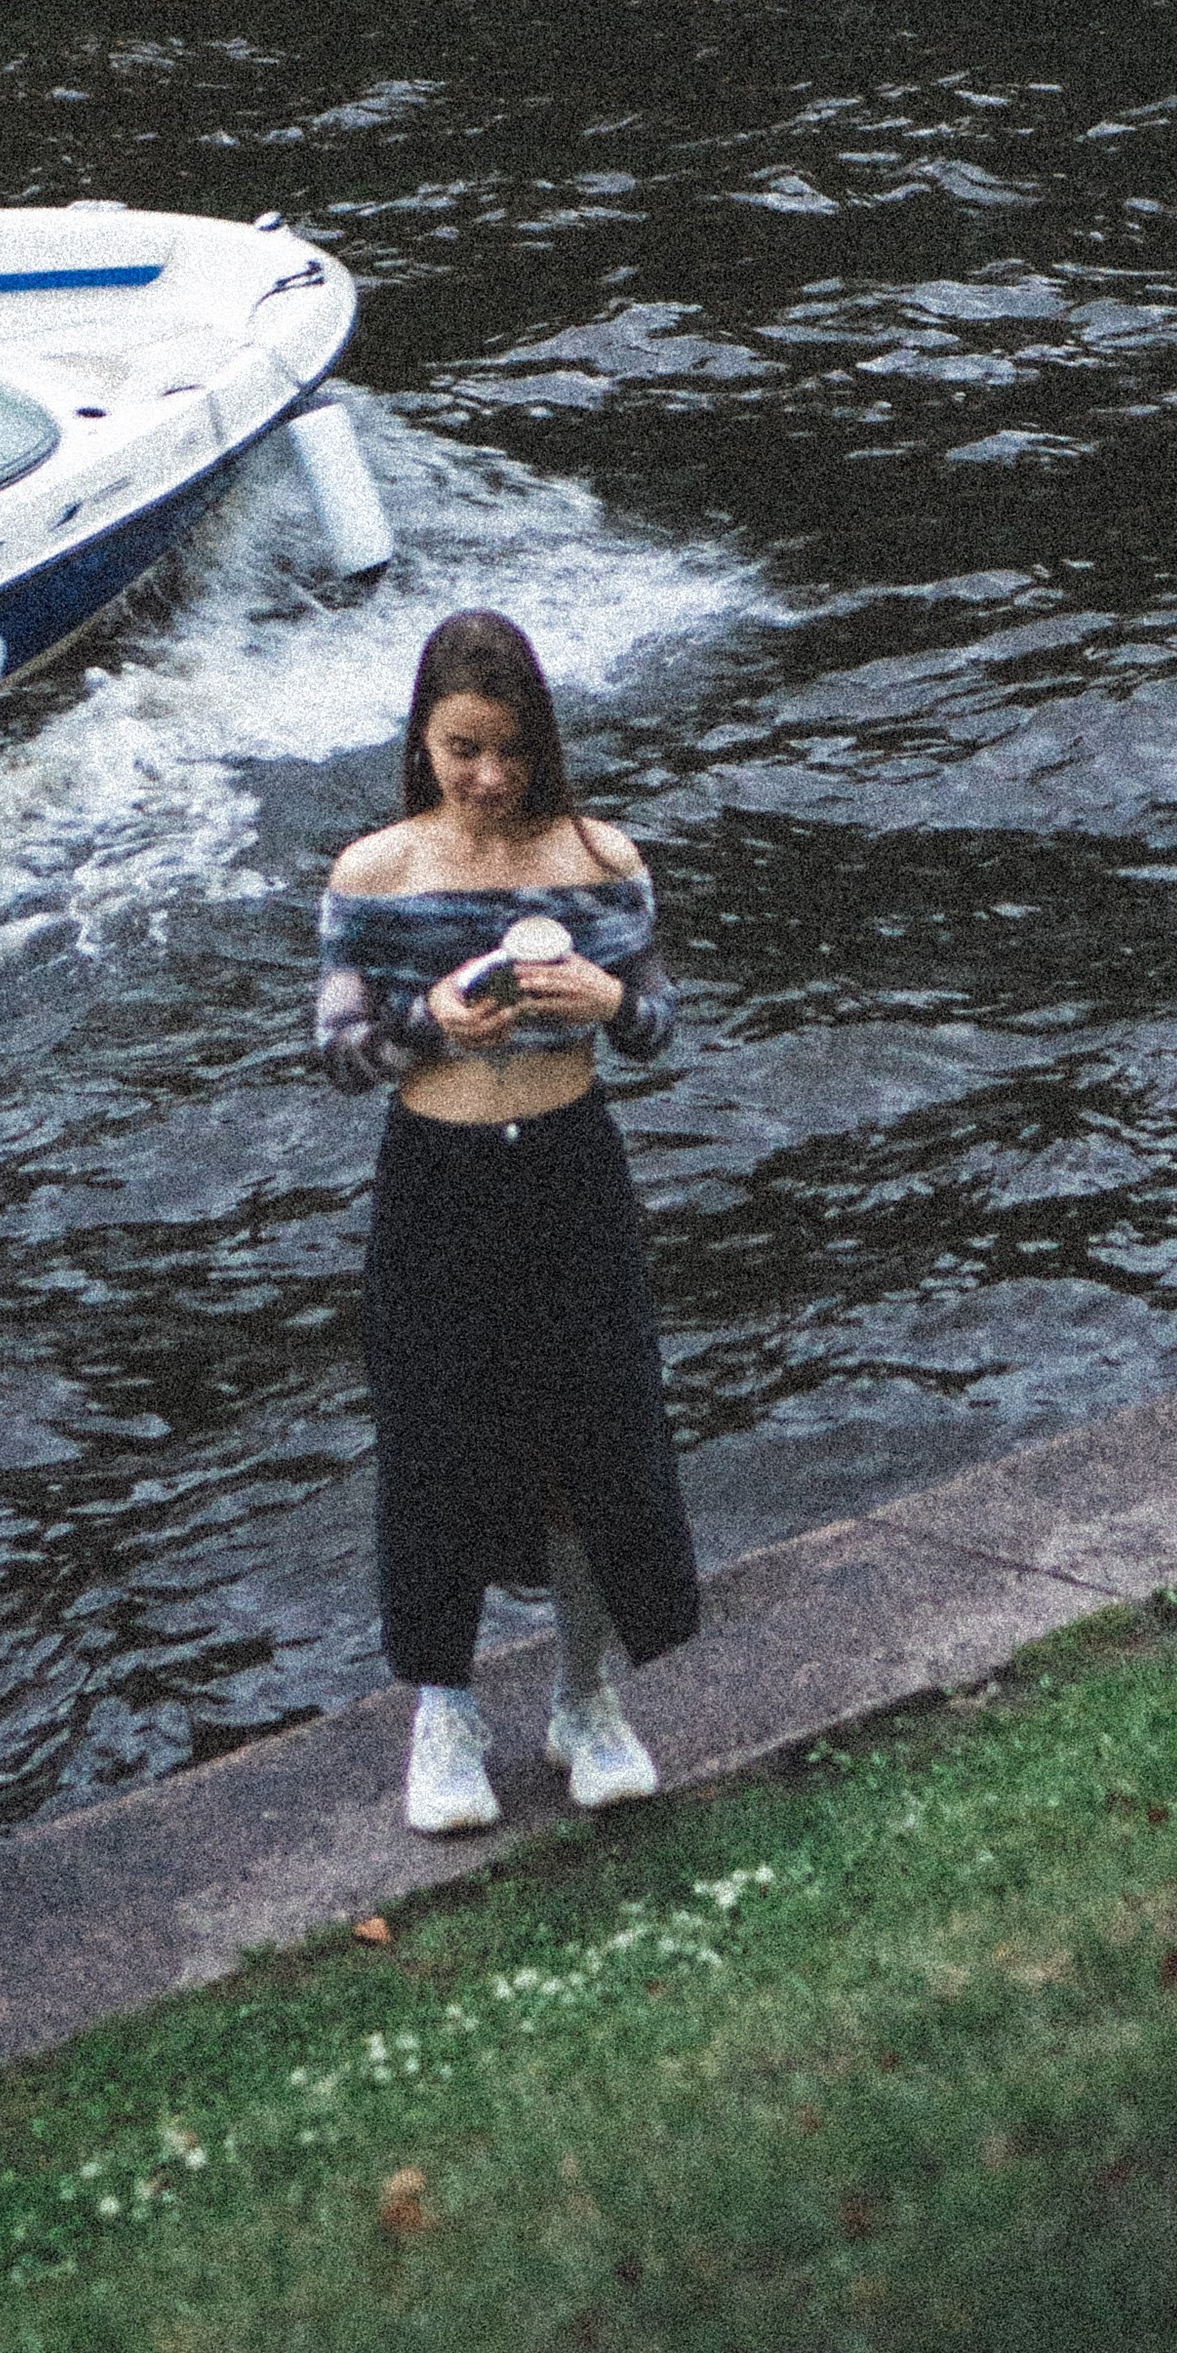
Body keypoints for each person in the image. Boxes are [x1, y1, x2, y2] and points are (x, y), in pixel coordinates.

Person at [316, 606, 697, 1836]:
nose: (488, 777)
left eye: (512, 750)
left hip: (569, 1171)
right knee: (437, 1451)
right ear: (422, 739)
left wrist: (605, 1002)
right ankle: (445, 1715)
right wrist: (428, 1023)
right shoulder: (374, 874)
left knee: (594, 1437)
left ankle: (586, 1699)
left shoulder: (600, 859)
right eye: (461, 748)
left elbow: (656, 1022)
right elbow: (337, 1055)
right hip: (438, 1178)